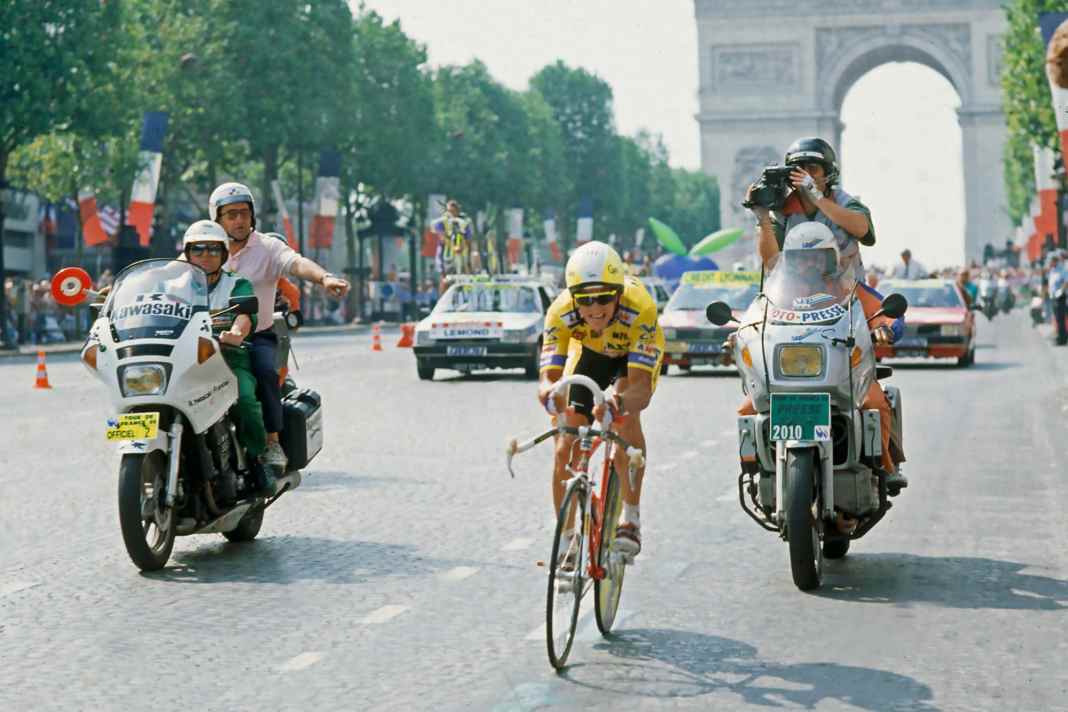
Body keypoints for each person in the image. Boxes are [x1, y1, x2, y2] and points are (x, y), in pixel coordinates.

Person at [737, 219, 907, 494]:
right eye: (802, 259)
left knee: (875, 403)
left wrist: (886, 328)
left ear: (832, 259)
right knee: (747, 408)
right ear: (790, 261)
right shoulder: (776, 293)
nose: (809, 265)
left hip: (840, 371)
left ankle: (884, 469)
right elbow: (754, 319)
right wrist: (740, 335)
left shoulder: (848, 288)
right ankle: (756, 469)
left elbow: (885, 312)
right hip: (787, 374)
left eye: (817, 258)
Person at [209, 182, 350, 473]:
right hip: (205, 337)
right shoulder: (205, 248)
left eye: (244, 213)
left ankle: (272, 441)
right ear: (217, 219)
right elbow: (171, 278)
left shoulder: (267, 247)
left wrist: (324, 278)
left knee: (264, 372)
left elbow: (296, 263)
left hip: (255, 336)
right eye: (231, 215)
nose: (239, 220)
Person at [538, 241, 664, 559]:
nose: (595, 308)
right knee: (565, 444)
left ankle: (630, 518)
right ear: (573, 298)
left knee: (625, 418)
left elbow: (641, 391)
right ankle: (567, 540)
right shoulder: (560, 312)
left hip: (630, 357)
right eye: (586, 299)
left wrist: (617, 404)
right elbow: (550, 380)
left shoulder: (641, 308)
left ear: (619, 292)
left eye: (605, 297)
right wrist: (550, 398)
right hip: (590, 355)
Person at [182, 220, 271, 494]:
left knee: (244, 399)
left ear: (223, 254)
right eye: (198, 249)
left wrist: (236, 332)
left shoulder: (236, 283)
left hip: (227, 359)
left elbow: (245, 315)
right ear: (187, 253)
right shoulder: (174, 286)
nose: (205, 256)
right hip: (183, 362)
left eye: (212, 249)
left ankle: (257, 458)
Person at [767, 137, 875, 282]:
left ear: (827, 173)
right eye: (798, 170)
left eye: (812, 169)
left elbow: (863, 230)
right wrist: (762, 218)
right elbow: (770, 261)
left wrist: (817, 198)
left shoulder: (846, 202)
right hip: (798, 296)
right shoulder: (781, 210)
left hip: (848, 296)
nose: (806, 176)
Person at [432, 200, 473, 275]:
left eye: (454, 211)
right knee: (444, 275)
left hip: (461, 252)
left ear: (458, 211)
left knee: (465, 273)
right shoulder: (441, 222)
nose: (451, 213)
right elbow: (442, 237)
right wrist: (453, 247)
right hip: (446, 252)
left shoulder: (464, 221)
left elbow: (468, 239)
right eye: (449, 211)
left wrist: (463, 250)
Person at [1048, 253, 1068, 345]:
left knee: (1060, 319)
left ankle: (1062, 339)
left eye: (1053, 260)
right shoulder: (1052, 270)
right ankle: (1060, 337)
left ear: (1056, 261)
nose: (1051, 262)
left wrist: (1060, 291)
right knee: (1057, 319)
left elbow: (1066, 282)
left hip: (1060, 297)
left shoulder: (1062, 270)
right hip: (1053, 297)